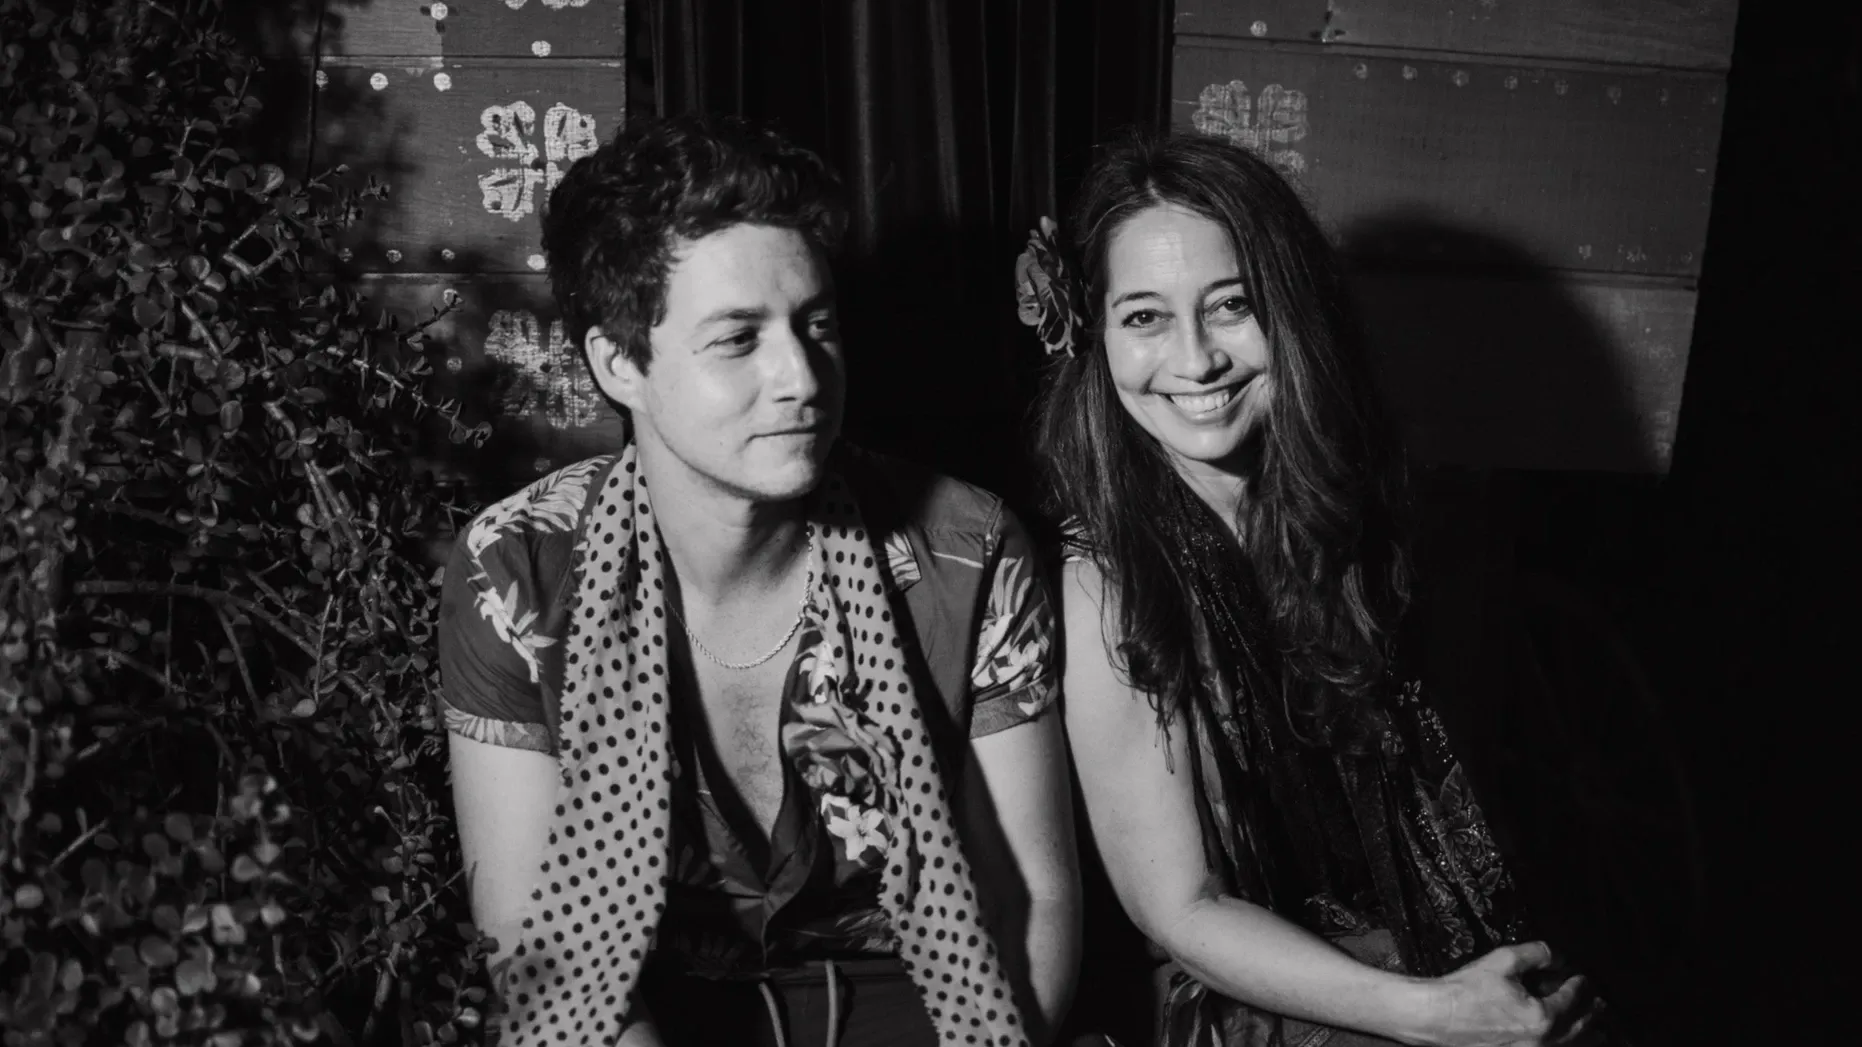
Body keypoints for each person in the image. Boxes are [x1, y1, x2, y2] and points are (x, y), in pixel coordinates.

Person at [438, 115, 1080, 1047]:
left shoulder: (969, 551)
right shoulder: (518, 568)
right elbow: (543, 963)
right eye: (738, 340)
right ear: (620, 364)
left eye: (816, 325)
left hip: (920, 995)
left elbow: (1034, 900)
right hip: (657, 1006)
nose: (802, 377)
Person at [1019, 131, 1599, 1047]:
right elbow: (1184, 914)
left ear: (1290, 312)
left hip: (1388, 936)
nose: (1197, 358)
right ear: (1094, 336)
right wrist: (1434, 1013)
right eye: (1144, 317)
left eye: (1231, 305)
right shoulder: (1108, 585)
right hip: (1228, 997)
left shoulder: (1345, 508)